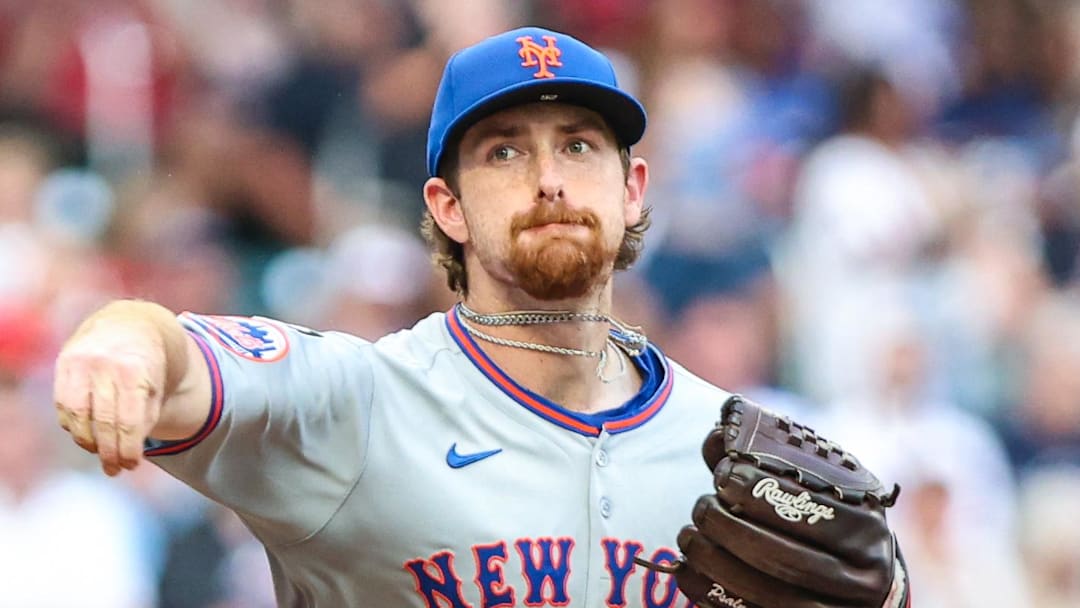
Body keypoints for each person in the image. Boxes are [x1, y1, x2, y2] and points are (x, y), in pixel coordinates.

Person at [54, 27, 906, 607]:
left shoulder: (731, 453)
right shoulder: (359, 403)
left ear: (632, 187)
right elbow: (177, 350)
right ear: (448, 206)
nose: (550, 179)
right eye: (505, 151)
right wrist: (121, 344)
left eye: (579, 144)